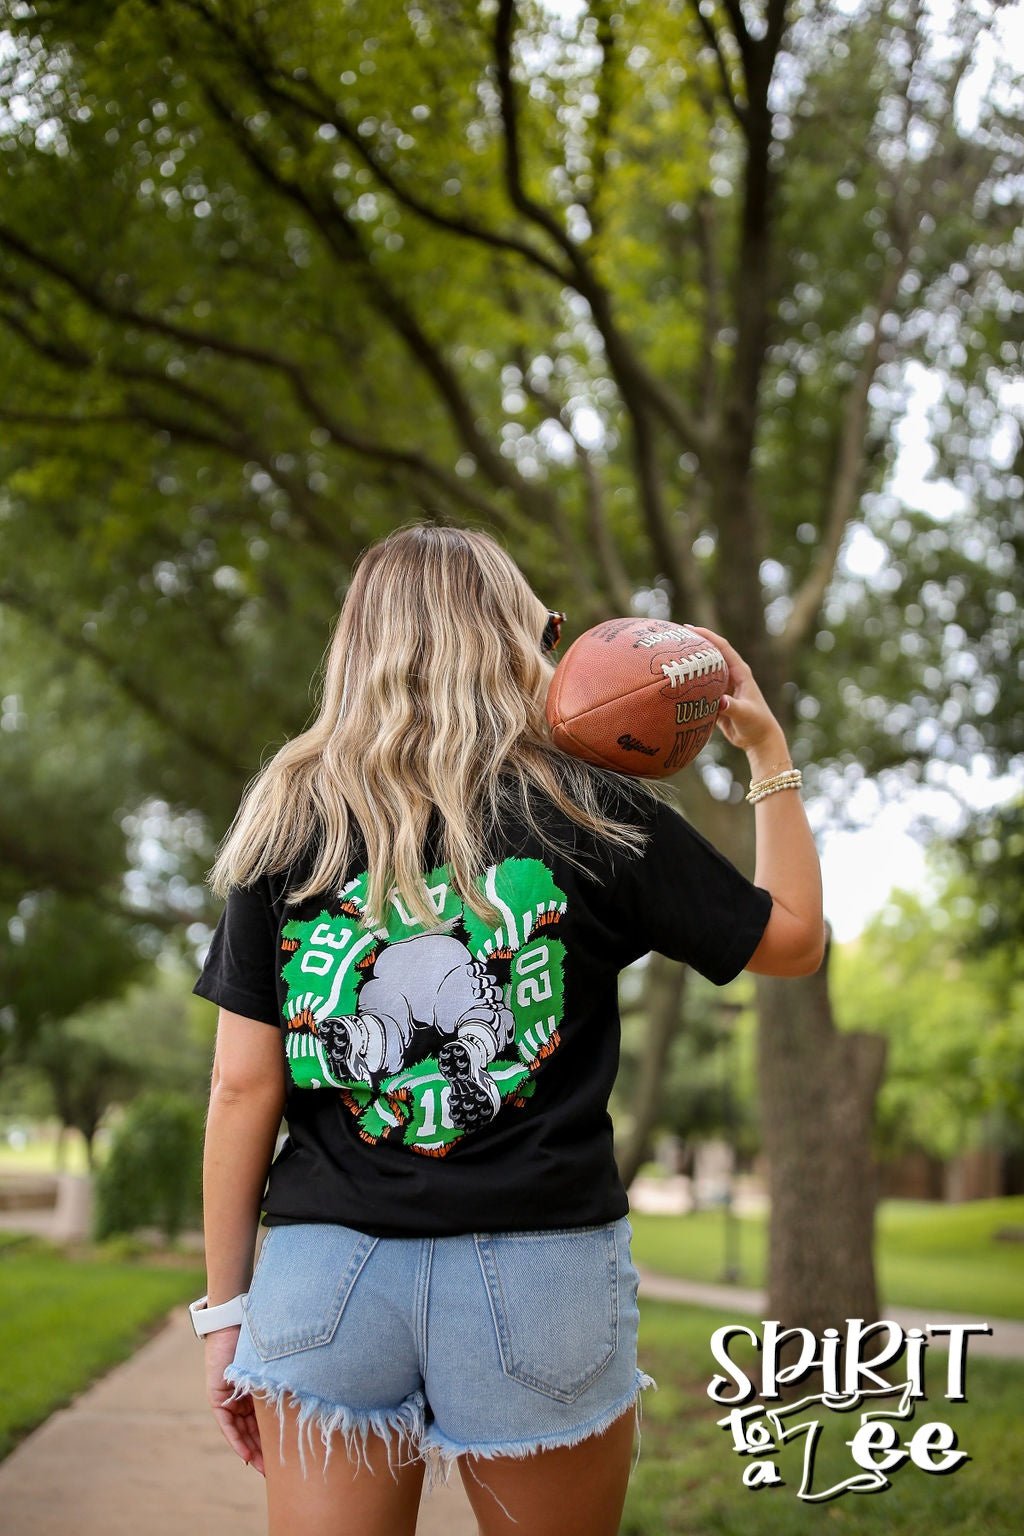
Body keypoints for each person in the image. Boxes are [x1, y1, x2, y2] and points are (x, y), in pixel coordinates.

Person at [192, 524, 823, 1536]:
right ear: (519, 648)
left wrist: (224, 1313)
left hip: (327, 1278)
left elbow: (239, 1089)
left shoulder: (288, 815)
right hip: (540, 1275)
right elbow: (792, 942)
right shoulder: (595, 810)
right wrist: (767, 752)